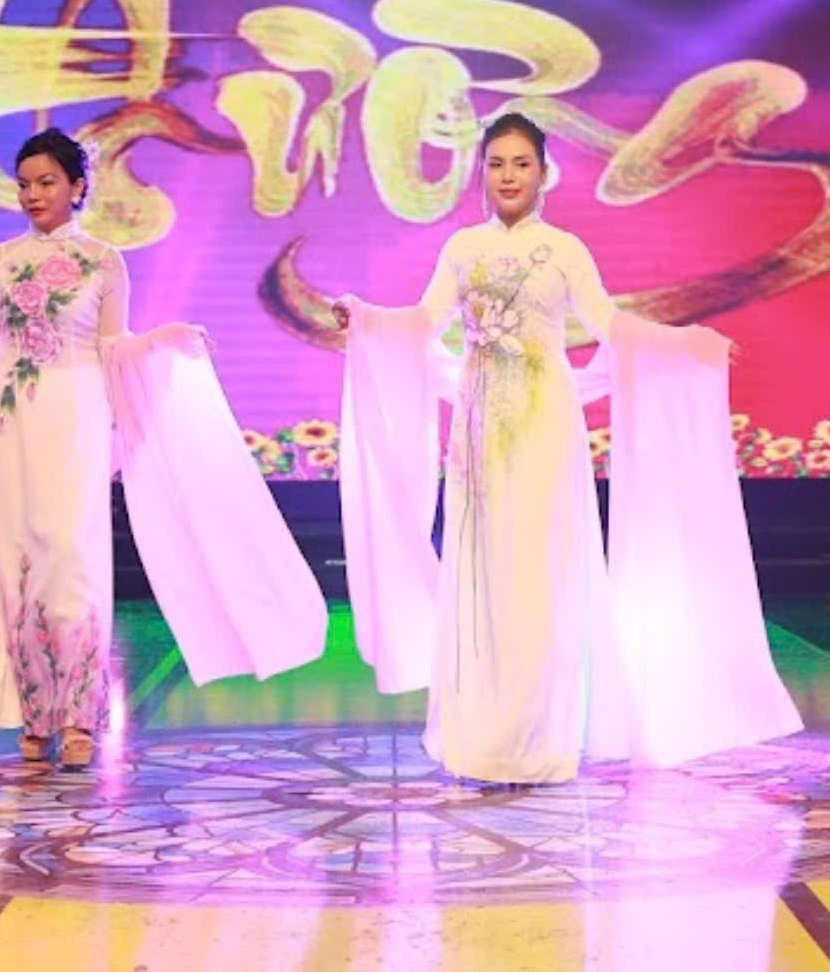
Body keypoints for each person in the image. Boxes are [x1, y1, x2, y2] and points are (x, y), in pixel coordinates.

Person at [335, 112, 802, 784]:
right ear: (482, 172)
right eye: (497, 163)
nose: (508, 176)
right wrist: (366, 317)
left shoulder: (565, 250)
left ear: (544, 171)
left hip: (546, 432)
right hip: (480, 438)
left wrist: (688, 344)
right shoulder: (463, 248)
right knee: (483, 582)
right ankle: (482, 737)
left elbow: (610, 324)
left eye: (521, 163)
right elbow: (422, 323)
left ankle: (537, 739)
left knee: (540, 580)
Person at [0, 128, 325, 768]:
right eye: (24, 185)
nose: (33, 194)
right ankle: (34, 713)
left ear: (77, 187)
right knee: (17, 559)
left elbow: (113, 348)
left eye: (47, 182)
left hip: (76, 418)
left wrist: (163, 341)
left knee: (72, 558)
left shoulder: (103, 261)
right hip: (12, 423)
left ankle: (78, 715)